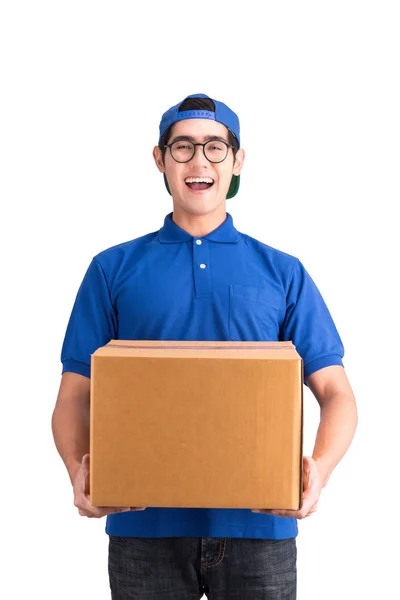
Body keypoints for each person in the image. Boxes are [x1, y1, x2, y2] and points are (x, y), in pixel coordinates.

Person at [52, 93, 358, 599]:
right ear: (160, 159)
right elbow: (73, 393)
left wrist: (318, 471)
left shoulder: (282, 272)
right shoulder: (112, 269)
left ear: (237, 161)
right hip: (142, 526)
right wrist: (77, 468)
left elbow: (338, 393)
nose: (199, 162)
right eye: (183, 147)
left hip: (261, 527)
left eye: (215, 147)